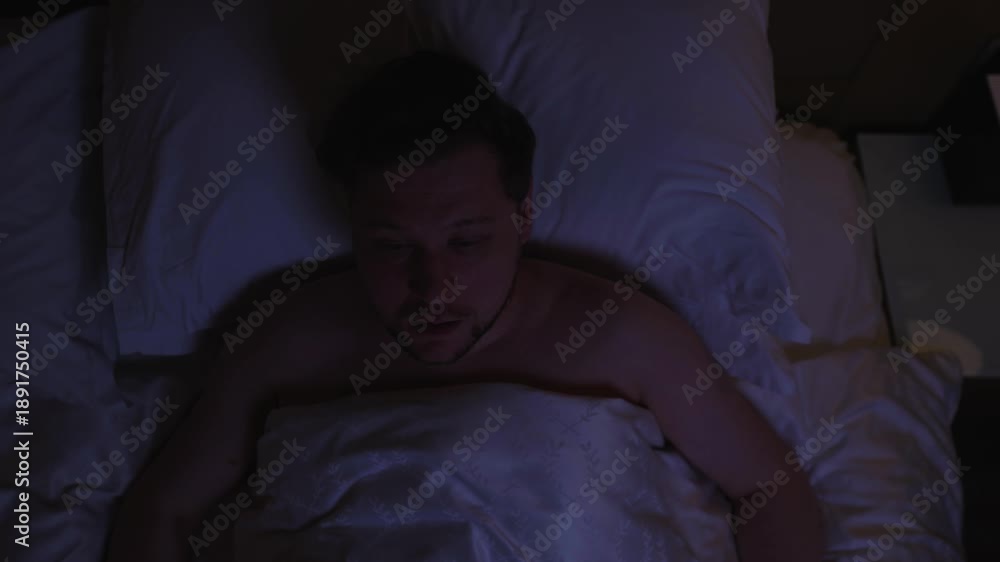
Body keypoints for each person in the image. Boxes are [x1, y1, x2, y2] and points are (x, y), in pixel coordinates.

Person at [107, 51, 825, 562]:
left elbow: (771, 488)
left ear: (523, 216)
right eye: (392, 247)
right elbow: (163, 507)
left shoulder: (623, 335)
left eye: (466, 242)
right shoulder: (291, 341)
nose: (434, 287)